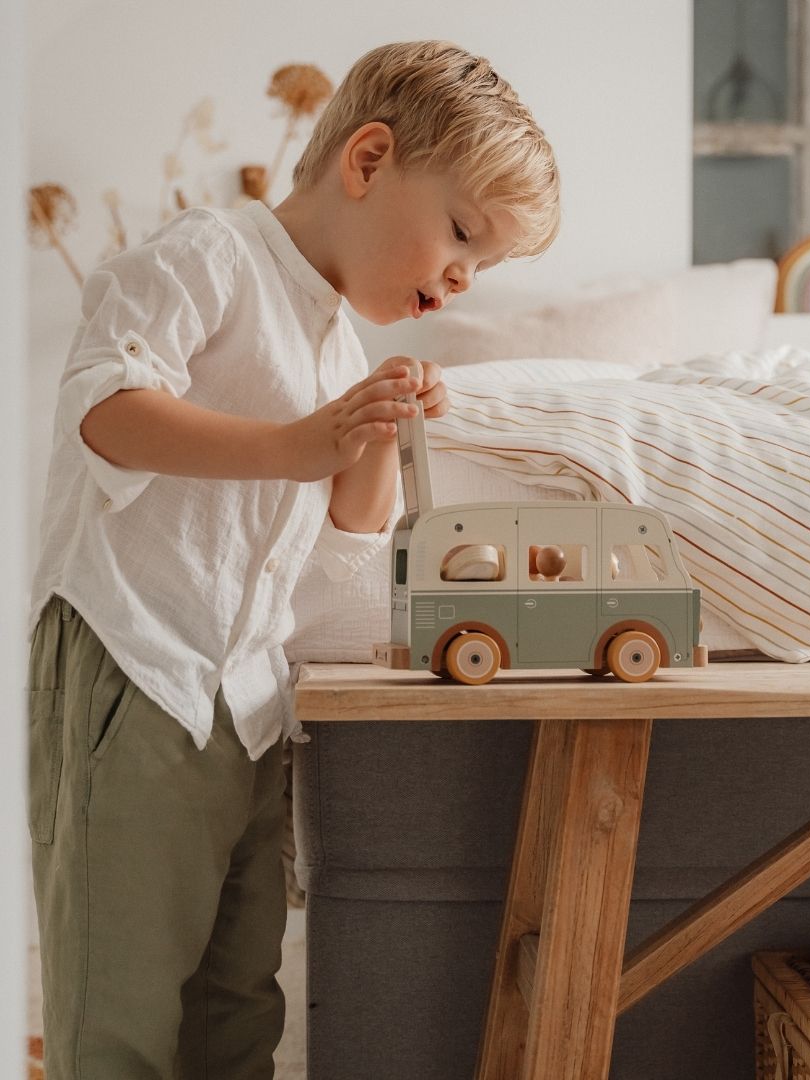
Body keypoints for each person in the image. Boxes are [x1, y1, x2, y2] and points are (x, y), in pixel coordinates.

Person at [27, 39, 559, 1079]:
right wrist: (300, 443)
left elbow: (343, 544)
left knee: (238, 1008)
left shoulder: (334, 345)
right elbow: (102, 410)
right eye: (460, 234)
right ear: (366, 161)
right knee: (120, 1013)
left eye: (482, 266)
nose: (460, 279)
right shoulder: (207, 256)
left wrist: (374, 439)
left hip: (246, 707)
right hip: (135, 670)